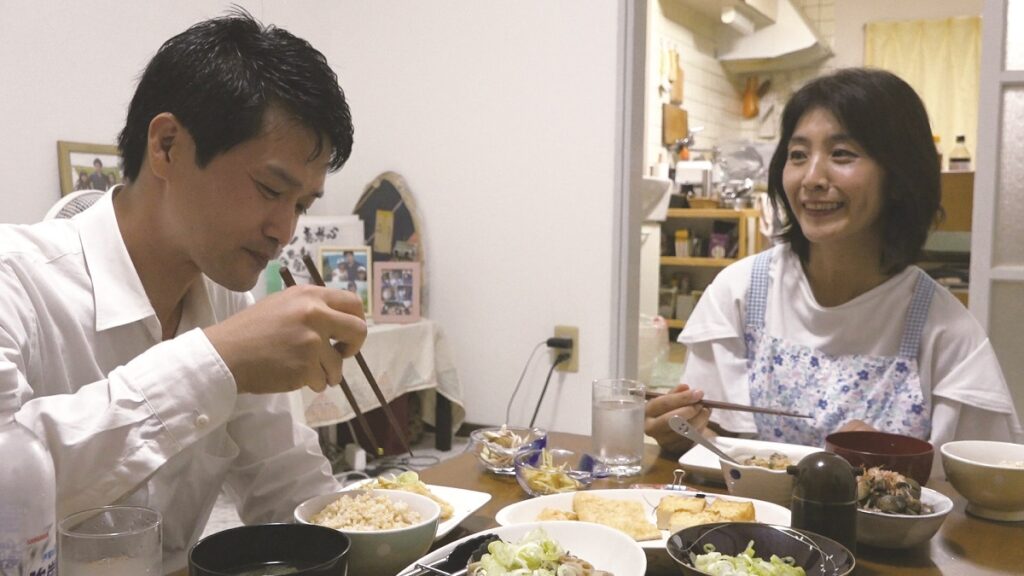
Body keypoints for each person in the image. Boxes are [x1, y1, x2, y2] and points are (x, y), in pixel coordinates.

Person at [1, 10, 361, 571]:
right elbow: (8, 485)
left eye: (302, 205)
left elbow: (286, 485)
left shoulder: (226, 300)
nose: (284, 230)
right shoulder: (15, 279)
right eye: (270, 189)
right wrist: (215, 361)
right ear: (167, 145)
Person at [645, 68, 1022, 460]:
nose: (811, 178)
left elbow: (979, 487)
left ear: (899, 177)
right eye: (798, 155)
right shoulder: (739, 293)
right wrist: (675, 438)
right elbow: (708, 447)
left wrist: (889, 459)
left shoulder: (945, 330)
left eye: (842, 154)